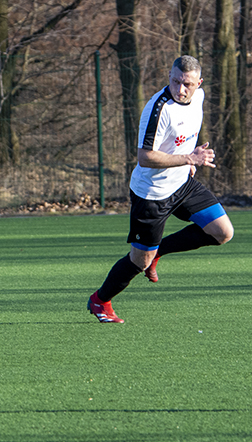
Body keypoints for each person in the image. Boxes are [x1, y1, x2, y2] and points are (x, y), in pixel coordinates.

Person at [87, 55, 234, 323]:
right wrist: (189, 159)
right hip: (151, 194)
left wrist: (189, 157)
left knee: (222, 232)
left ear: (199, 83)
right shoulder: (159, 109)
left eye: (187, 84)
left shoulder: (198, 98)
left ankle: (160, 252)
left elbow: (184, 134)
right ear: (169, 76)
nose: (180, 89)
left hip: (182, 184)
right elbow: (145, 157)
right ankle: (101, 300)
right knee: (139, 261)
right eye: (175, 81)